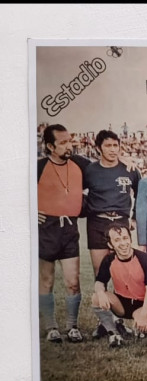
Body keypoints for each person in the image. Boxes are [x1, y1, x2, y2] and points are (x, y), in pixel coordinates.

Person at [37, 124, 89, 343]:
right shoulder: (37, 167)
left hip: (69, 228)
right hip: (46, 228)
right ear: (50, 146)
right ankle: (51, 327)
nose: (70, 146)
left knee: (73, 281)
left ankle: (72, 327)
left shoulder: (80, 164)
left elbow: (106, 167)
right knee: (47, 281)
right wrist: (28, 211)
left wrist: (131, 164)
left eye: (70, 140)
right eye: (63, 142)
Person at [83, 130, 141, 275]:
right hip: (97, 222)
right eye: (108, 145)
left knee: (123, 269)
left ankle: (122, 298)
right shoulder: (90, 170)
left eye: (115, 145)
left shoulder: (130, 169)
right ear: (98, 148)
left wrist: (134, 218)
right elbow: (75, 192)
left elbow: (141, 194)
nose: (113, 149)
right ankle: (101, 297)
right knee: (99, 270)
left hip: (120, 221)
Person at [91, 224, 147, 348]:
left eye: (125, 238)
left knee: (142, 331)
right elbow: (99, 282)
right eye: (117, 240)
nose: (123, 243)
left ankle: (135, 325)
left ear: (131, 239)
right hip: (121, 303)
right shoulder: (109, 260)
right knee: (96, 297)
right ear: (110, 245)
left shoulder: (145, 259)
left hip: (141, 304)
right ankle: (113, 333)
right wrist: (100, 293)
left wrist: (143, 314)